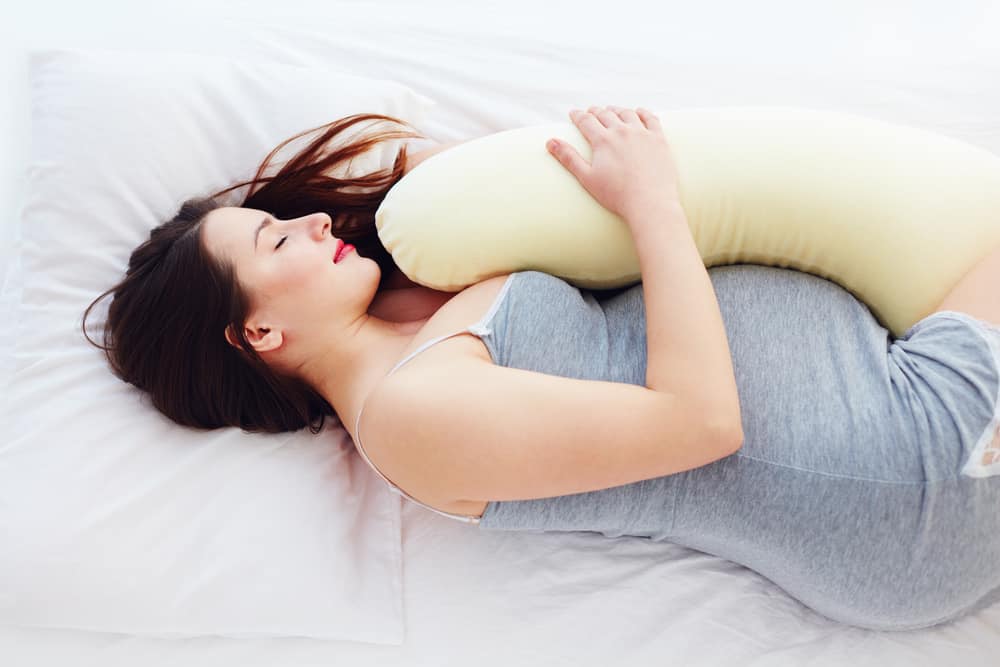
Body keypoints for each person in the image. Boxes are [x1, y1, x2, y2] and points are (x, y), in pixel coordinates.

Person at [83, 106, 1000, 631]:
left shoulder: (414, 327)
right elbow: (698, 423)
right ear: (257, 335)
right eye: (275, 237)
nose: (314, 223)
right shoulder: (410, 420)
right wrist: (654, 206)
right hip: (897, 474)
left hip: (885, 431)